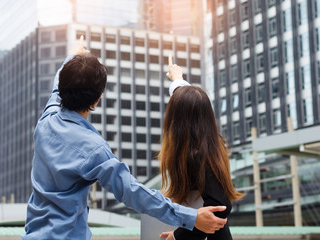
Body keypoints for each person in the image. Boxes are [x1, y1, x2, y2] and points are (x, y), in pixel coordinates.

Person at [22, 37, 228, 240]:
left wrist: (73, 55)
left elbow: (58, 83)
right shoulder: (94, 149)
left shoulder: (46, 120)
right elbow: (132, 192)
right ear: (99, 97)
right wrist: (190, 217)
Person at [158, 56, 244, 240]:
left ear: (177, 120)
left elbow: (220, 208)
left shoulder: (197, 155)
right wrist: (177, 79)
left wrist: (179, 236)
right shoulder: (208, 145)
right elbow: (192, 105)